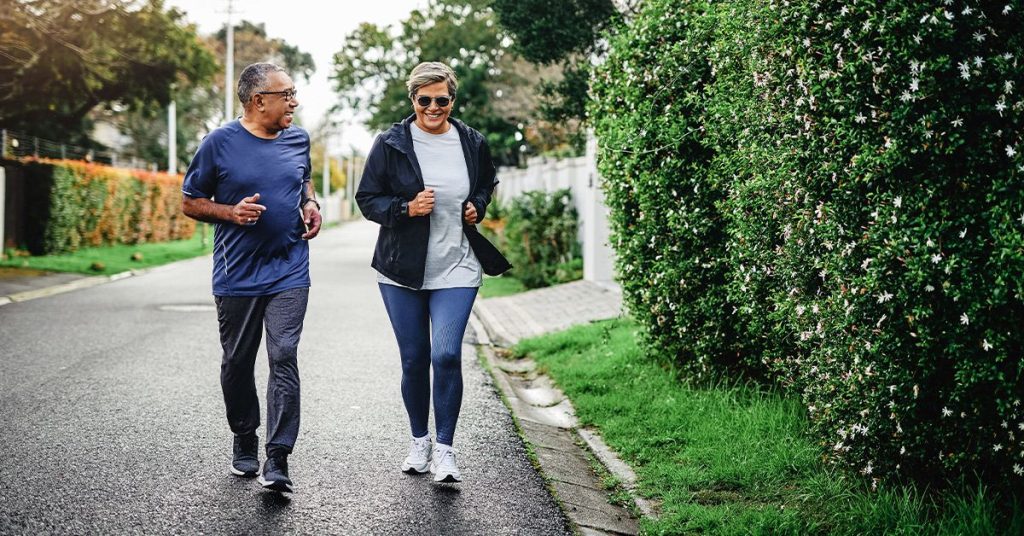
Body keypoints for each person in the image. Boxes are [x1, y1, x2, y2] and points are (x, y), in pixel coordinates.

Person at [356, 61, 511, 483]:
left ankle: (445, 449)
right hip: (401, 269)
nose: (433, 107)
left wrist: (478, 204)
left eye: (441, 100)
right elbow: (367, 199)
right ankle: (419, 441)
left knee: (445, 354)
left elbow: (485, 183)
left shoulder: (471, 141)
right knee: (414, 358)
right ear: (413, 100)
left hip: (457, 264)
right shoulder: (390, 142)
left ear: (452, 100)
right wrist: (406, 208)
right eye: (424, 100)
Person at [181, 62, 321, 493]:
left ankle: (278, 458)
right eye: (287, 94)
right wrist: (230, 213)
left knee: (284, 355)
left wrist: (311, 204)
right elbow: (190, 201)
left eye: (295, 93)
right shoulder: (219, 143)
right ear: (259, 101)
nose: (295, 102)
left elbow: (305, 180)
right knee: (238, 362)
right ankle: (245, 434)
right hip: (236, 273)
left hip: (290, 268)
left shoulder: (298, 138)